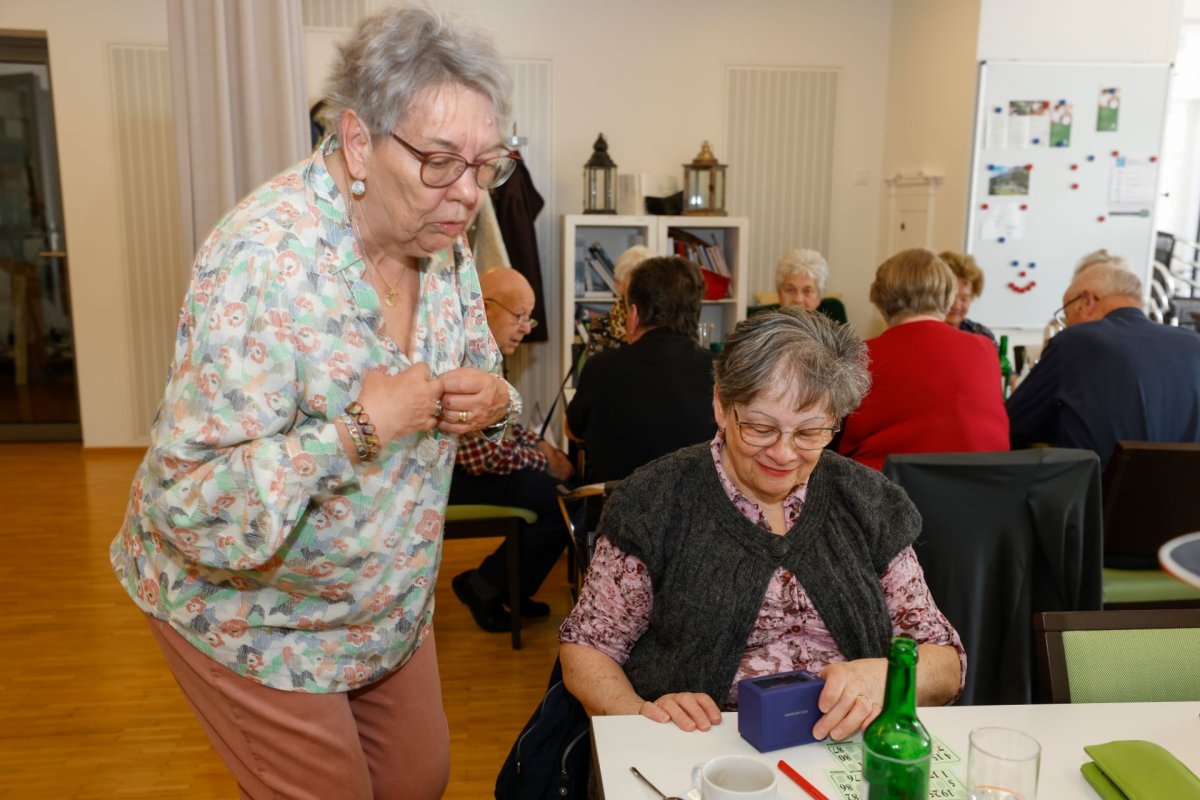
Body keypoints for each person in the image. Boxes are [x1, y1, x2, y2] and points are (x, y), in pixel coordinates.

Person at [108, 7, 520, 798]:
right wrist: (360, 430)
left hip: (382, 603)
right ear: (359, 141)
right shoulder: (262, 260)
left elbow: (479, 360)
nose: (468, 194)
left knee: (419, 779)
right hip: (257, 612)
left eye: (486, 165)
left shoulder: (443, 238)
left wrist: (495, 395)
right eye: (441, 162)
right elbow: (186, 500)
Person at [559, 307, 964, 740]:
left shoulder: (867, 500)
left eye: (809, 433)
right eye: (760, 427)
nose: (784, 454)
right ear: (721, 405)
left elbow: (946, 664)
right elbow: (588, 648)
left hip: (847, 750)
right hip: (702, 749)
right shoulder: (655, 501)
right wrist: (642, 716)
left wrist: (882, 678)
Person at [450, 268, 575, 633]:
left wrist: (539, 445)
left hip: (467, 468)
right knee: (560, 501)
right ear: (485, 308)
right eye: (519, 316)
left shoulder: (486, 353)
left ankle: (507, 590)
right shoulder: (465, 356)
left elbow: (503, 426)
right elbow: (481, 457)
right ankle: (486, 585)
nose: (525, 328)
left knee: (555, 491)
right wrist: (542, 459)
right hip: (449, 478)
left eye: (528, 318)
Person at [1008, 260, 1200, 470]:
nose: (1067, 324)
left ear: (1086, 301)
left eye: (1067, 315)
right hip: (1185, 489)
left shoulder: (1076, 341)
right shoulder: (1194, 344)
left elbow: (1013, 424)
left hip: (1096, 488)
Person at [837, 248, 1009, 470]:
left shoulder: (861, 356)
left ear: (879, 301)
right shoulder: (985, 348)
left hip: (885, 487)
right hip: (981, 483)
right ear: (947, 297)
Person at [567, 256, 717, 483]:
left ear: (634, 315)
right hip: (694, 505)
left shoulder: (600, 367)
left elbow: (573, 431)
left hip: (614, 504)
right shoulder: (720, 373)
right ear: (696, 315)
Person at [585, 244, 656, 354]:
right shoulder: (601, 325)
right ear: (618, 285)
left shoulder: (669, 321)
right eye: (634, 285)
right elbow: (597, 365)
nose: (641, 291)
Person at [940, 249, 997, 346]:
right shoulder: (922, 334)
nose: (956, 306)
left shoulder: (982, 335)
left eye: (964, 299)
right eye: (950, 297)